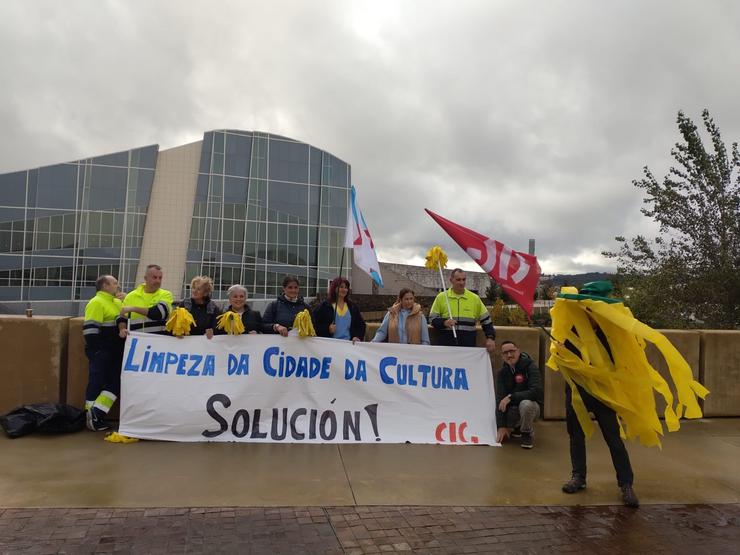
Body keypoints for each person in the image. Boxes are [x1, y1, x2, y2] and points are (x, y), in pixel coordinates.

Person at [555, 281, 639, 508]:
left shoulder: (612, 333)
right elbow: (561, 359)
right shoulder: (570, 329)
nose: (589, 312)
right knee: (576, 436)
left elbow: (622, 361)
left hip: (603, 394)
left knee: (613, 438)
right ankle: (578, 477)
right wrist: (560, 351)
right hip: (577, 391)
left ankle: (626, 484)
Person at [82, 275, 126, 431]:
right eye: (115, 283)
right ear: (105, 286)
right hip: (101, 352)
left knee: (115, 383)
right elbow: (90, 330)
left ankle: (96, 414)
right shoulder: (96, 302)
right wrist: (98, 352)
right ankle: (92, 418)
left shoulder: (116, 302)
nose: (118, 286)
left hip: (115, 353)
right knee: (96, 383)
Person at [429, 268, 496, 353]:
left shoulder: (474, 298)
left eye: (464, 279)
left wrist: (490, 338)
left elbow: (487, 321)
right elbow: (432, 319)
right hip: (446, 347)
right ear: (451, 280)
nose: (462, 282)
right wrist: (444, 322)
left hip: (468, 348)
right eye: (458, 280)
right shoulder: (441, 297)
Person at [495, 340, 543, 449]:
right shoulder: (502, 373)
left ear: (518, 351)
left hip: (532, 406)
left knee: (526, 405)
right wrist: (501, 426)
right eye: (505, 353)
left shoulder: (530, 366)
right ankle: (516, 427)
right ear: (502, 356)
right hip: (513, 408)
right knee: (496, 415)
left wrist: (511, 397)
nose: (509, 355)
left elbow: (536, 392)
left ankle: (527, 433)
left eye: (512, 351)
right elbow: (499, 398)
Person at [117, 264, 174, 335]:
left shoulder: (166, 294)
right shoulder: (131, 296)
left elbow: (159, 313)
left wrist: (133, 308)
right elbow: (121, 317)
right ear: (145, 278)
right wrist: (122, 329)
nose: (158, 281)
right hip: (137, 341)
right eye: (155, 277)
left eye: (160, 278)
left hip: (159, 341)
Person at [313, 277, 366, 341]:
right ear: (334, 288)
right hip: (329, 346)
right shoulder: (324, 306)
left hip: (348, 346)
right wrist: (327, 329)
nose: (344, 289)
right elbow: (314, 325)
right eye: (341, 287)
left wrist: (357, 336)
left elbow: (361, 325)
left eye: (346, 288)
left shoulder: (353, 307)